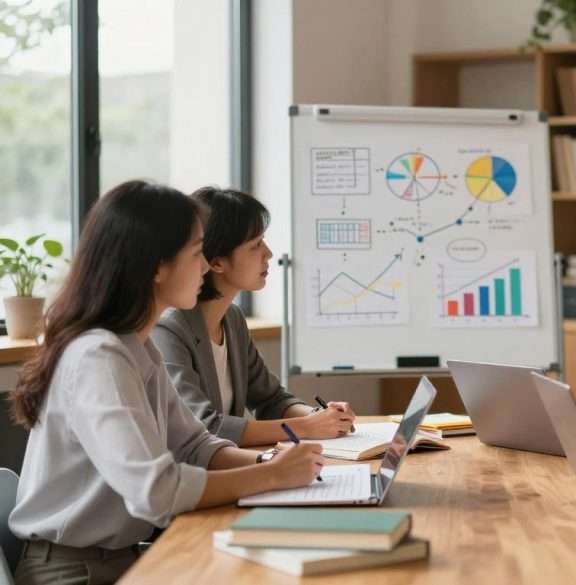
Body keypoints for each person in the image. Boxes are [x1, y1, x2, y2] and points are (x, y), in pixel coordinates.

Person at [8, 181, 325, 585]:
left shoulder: (135, 347)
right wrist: (274, 476)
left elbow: (194, 445)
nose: (206, 266)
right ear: (157, 266)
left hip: (116, 559)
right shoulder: (98, 357)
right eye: (196, 253)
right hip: (74, 573)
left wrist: (279, 464)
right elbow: (155, 492)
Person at [152, 187, 355, 447]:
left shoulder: (232, 318)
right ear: (216, 262)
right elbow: (204, 426)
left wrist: (321, 416)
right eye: (255, 245)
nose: (269, 253)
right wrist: (306, 426)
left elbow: (270, 400)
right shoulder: (169, 328)